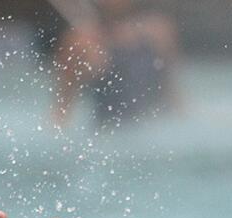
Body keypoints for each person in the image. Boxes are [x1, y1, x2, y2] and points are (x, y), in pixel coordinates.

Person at [50, 0, 181, 127]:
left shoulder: (158, 32)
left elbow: (172, 92)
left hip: (151, 130)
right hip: (108, 134)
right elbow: (64, 104)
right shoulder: (81, 42)